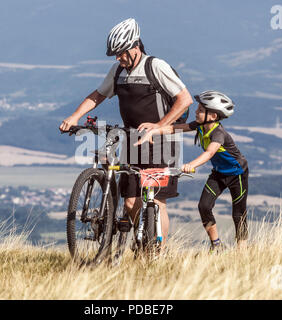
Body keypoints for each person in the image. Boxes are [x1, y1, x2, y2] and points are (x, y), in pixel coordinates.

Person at [59, 18, 193, 242]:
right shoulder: (117, 71)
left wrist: (160, 126)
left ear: (135, 46)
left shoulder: (156, 66)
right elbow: (98, 95)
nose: (118, 58)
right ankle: (145, 240)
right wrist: (75, 116)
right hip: (132, 140)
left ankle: (156, 252)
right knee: (131, 201)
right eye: (115, 54)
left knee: (156, 201)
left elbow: (185, 99)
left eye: (121, 53)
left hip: (161, 143)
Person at [136, 91, 249, 251]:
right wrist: (154, 131)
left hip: (238, 173)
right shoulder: (200, 126)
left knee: (238, 212)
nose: (196, 112)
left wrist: (191, 165)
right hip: (219, 173)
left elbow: (209, 153)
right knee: (204, 206)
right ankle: (216, 245)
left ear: (213, 116)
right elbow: (174, 129)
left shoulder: (218, 133)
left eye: (201, 110)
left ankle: (242, 250)